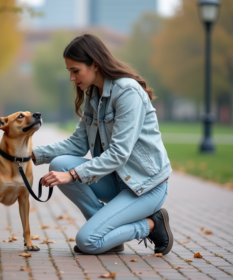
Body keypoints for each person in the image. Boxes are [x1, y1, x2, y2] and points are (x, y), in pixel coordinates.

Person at [31, 34, 173, 255]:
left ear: (94, 64)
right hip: (116, 180)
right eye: (69, 71)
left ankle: (152, 224)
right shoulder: (93, 94)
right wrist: (30, 154)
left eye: (75, 70)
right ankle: (109, 236)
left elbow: (119, 154)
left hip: (145, 186)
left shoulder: (127, 91)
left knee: (87, 242)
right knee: (59, 164)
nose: (71, 77)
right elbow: (77, 145)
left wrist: (74, 174)